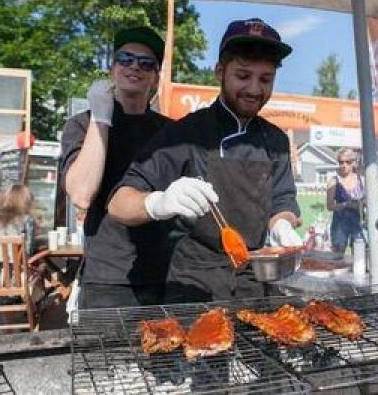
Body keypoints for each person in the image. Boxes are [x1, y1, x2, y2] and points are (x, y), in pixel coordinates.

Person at [108, 17, 303, 304]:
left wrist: (282, 225)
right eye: (242, 75)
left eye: (265, 79)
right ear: (219, 72)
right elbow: (119, 203)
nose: (253, 89)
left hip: (255, 285)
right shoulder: (184, 134)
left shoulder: (276, 141)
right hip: (193, 288)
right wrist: (157, 203)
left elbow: (283, 202)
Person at [57, 26, 173, 308]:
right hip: (107, 277)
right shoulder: (81, 124)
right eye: (125, 58)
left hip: (165, 273)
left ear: (156, 77)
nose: (134, 66)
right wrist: (100, 118)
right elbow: (82, 194)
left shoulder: (170, 131)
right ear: (112, 68)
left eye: (146, 63)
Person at [326, 148, 364, 255]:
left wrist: (361, 204)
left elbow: (367, 200)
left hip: (358, 223)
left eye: (348, 162)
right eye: (341, 162)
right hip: (339, 224)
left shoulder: (361, 179)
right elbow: (329, 205)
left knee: (360, 256)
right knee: (338, 257)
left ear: (353, 163)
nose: (344, 165)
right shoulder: (334, 181)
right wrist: (346, 204)